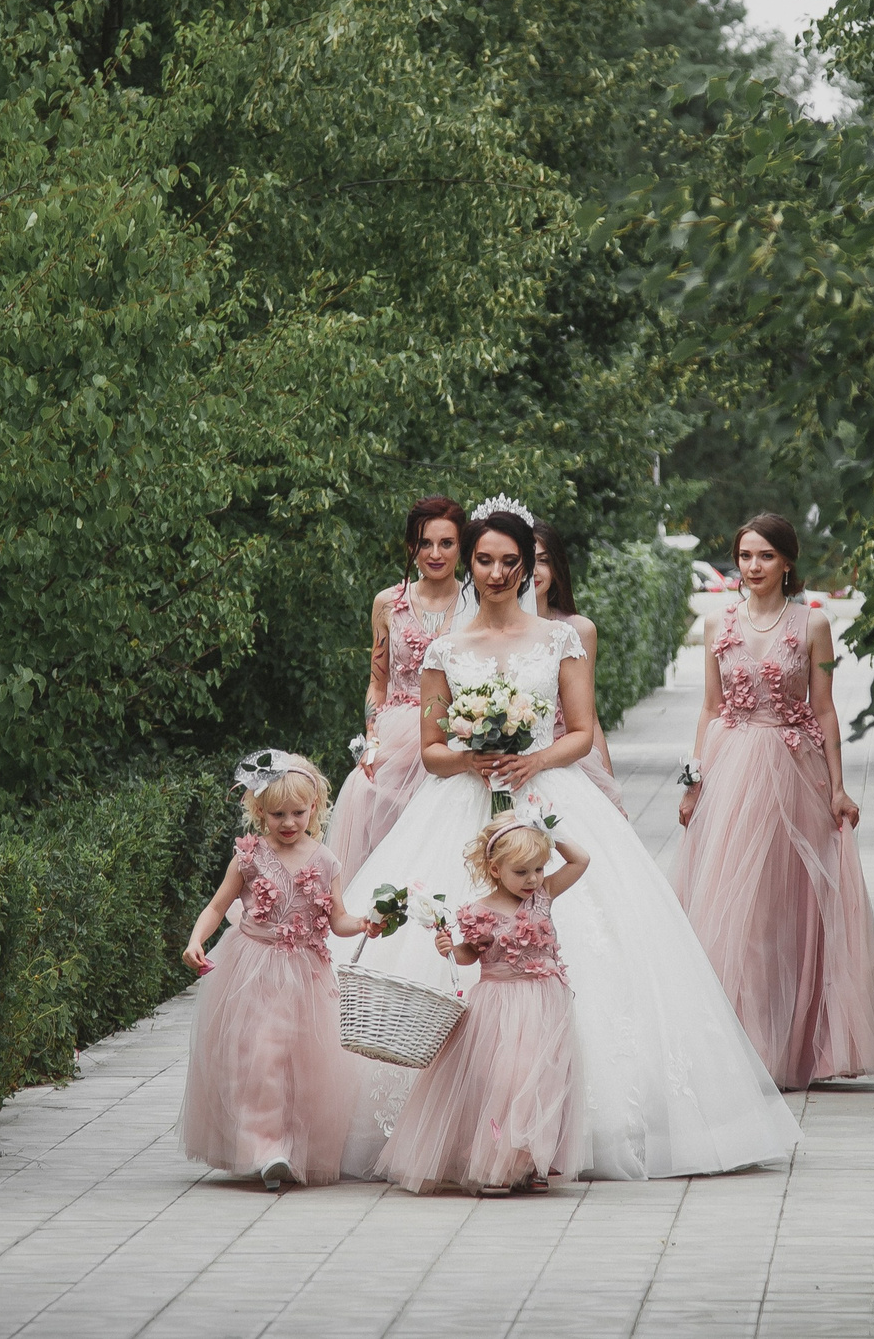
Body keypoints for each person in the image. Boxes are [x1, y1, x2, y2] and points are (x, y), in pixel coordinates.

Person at [335, 498, 801, 1181]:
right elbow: (431, 749)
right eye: (484, 560)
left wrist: (531, 761)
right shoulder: (443, 650)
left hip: (547, 792)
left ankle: (568, 1120)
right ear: (470, 564)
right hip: (463, 799)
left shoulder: (560, 641)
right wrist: (471, 757)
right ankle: (456, 1121)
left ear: (528, 568)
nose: (497, 573)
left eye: (510, 562)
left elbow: (580, 731)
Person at [673, 514, 874, 1089]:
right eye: (745, 555)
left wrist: (838, 787)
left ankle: (789, 1047)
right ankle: (737, 1044)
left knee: (785, 904)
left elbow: (824, 709)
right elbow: (710, 708)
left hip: (794, 769)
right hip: (731, 767)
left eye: (765, 555)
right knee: (734, 906)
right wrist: (693, 782)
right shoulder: (719, 621)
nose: (753, 566)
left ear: (787, 562)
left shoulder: (813, 623)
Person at [178, 751, 376, 1190]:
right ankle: (266, 1149)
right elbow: (217, 906)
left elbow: (338, 920)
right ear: (259, 810)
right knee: (260, 1056)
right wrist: (196, 939)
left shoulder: (325, 860)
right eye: (277, 814)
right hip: (253, 969)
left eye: (298, 813)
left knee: (301, 1063)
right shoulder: (249, 857)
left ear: (314, 808)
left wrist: (363, 923)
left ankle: (292, 1144)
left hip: (306, 974)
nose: (288, 823)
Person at [379, 814, 591, 1195]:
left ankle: (531, 1160)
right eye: (521, 871)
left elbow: (581, 860)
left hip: (545, 1004)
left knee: (542, 1079)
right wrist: (450, 948)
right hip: (500, 1006)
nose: (532, 879)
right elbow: (470, 955)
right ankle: (496, 1160)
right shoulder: (480, 911)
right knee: (505, 1079)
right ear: (495, 869)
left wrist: (549, 832)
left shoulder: (543, 895)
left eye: (539, 869)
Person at [332, 496, 469, 876]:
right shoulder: (387, 603)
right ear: (411, 547)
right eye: (425, 543)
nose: (435, 554)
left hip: (453, 733)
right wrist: (372, 741)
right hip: (394, 735)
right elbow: (377, 683)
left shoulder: (475, 604)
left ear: (461, 546)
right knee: (365, 799)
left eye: (446, 543)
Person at [533, 529, 626, 813]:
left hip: (570, 761)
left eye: (543, 560)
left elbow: (590, 718)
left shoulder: (578, 630)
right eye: (524, 560)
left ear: (556, 567)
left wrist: (610, 789)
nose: (534, 571)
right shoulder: (490, 633)